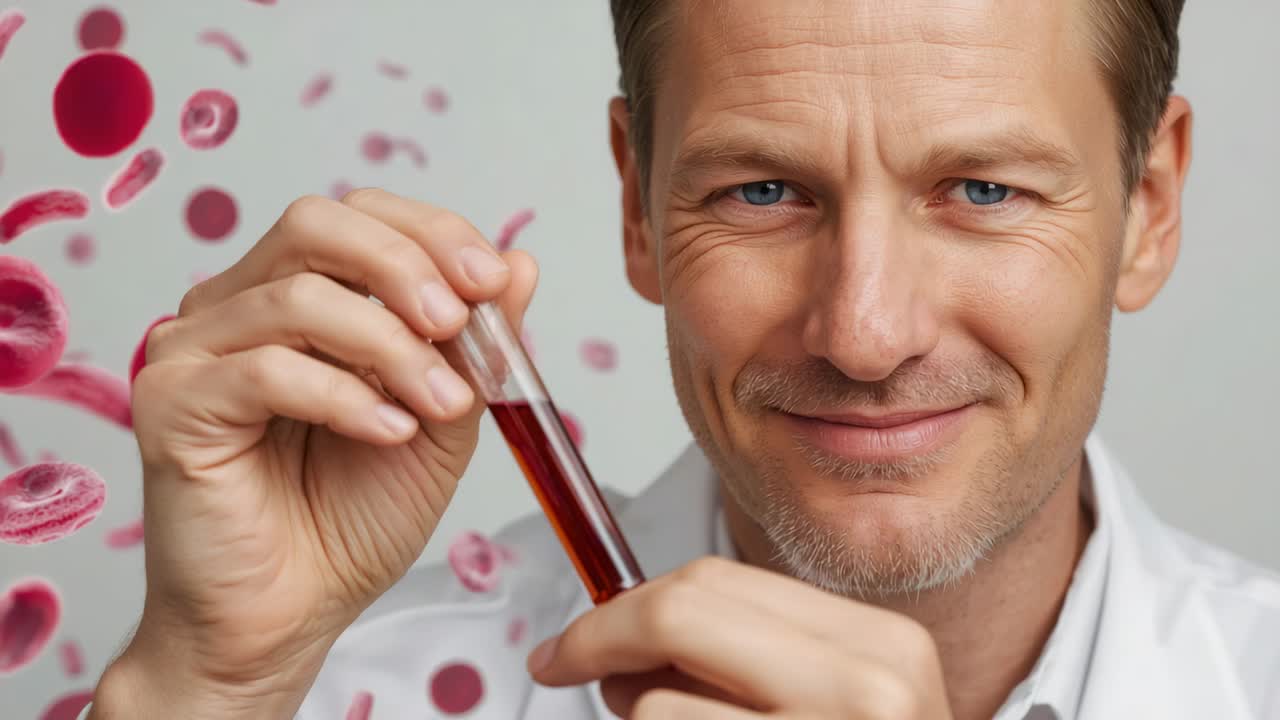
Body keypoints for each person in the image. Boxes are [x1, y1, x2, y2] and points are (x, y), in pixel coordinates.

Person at [82, 0, 1280, 718]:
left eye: (981, 189)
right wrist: (206, 687)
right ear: (638, 206)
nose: (862, 335)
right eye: (761, 191)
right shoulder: (356, 697)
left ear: (1149, 204)